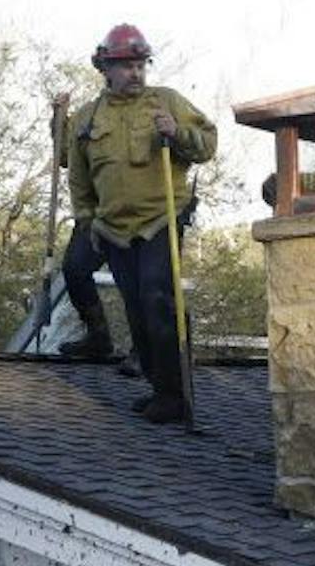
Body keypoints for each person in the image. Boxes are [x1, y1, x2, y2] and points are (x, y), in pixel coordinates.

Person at [66, 24, 218, 423]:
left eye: (140, 64)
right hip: (113, 228)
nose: (136, 72)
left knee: (156, 298)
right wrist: (87, 223)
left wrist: (178, 132)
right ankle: (158, 388)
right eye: (126, 65)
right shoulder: (85, 119)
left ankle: (174, 395)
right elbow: (79, 180)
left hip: (161, 217)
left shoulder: (165, 101)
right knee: (135, 307)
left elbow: (208, 144)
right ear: (106, 68)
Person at [48, 93, 115, 361]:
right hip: (93, 212)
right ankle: (98, 337)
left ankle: (144, 352)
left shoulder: (145, 113)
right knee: (75, 269)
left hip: (136, 214)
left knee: (138, 283)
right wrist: (59, 120)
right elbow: (65, 157)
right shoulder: (87, 117)